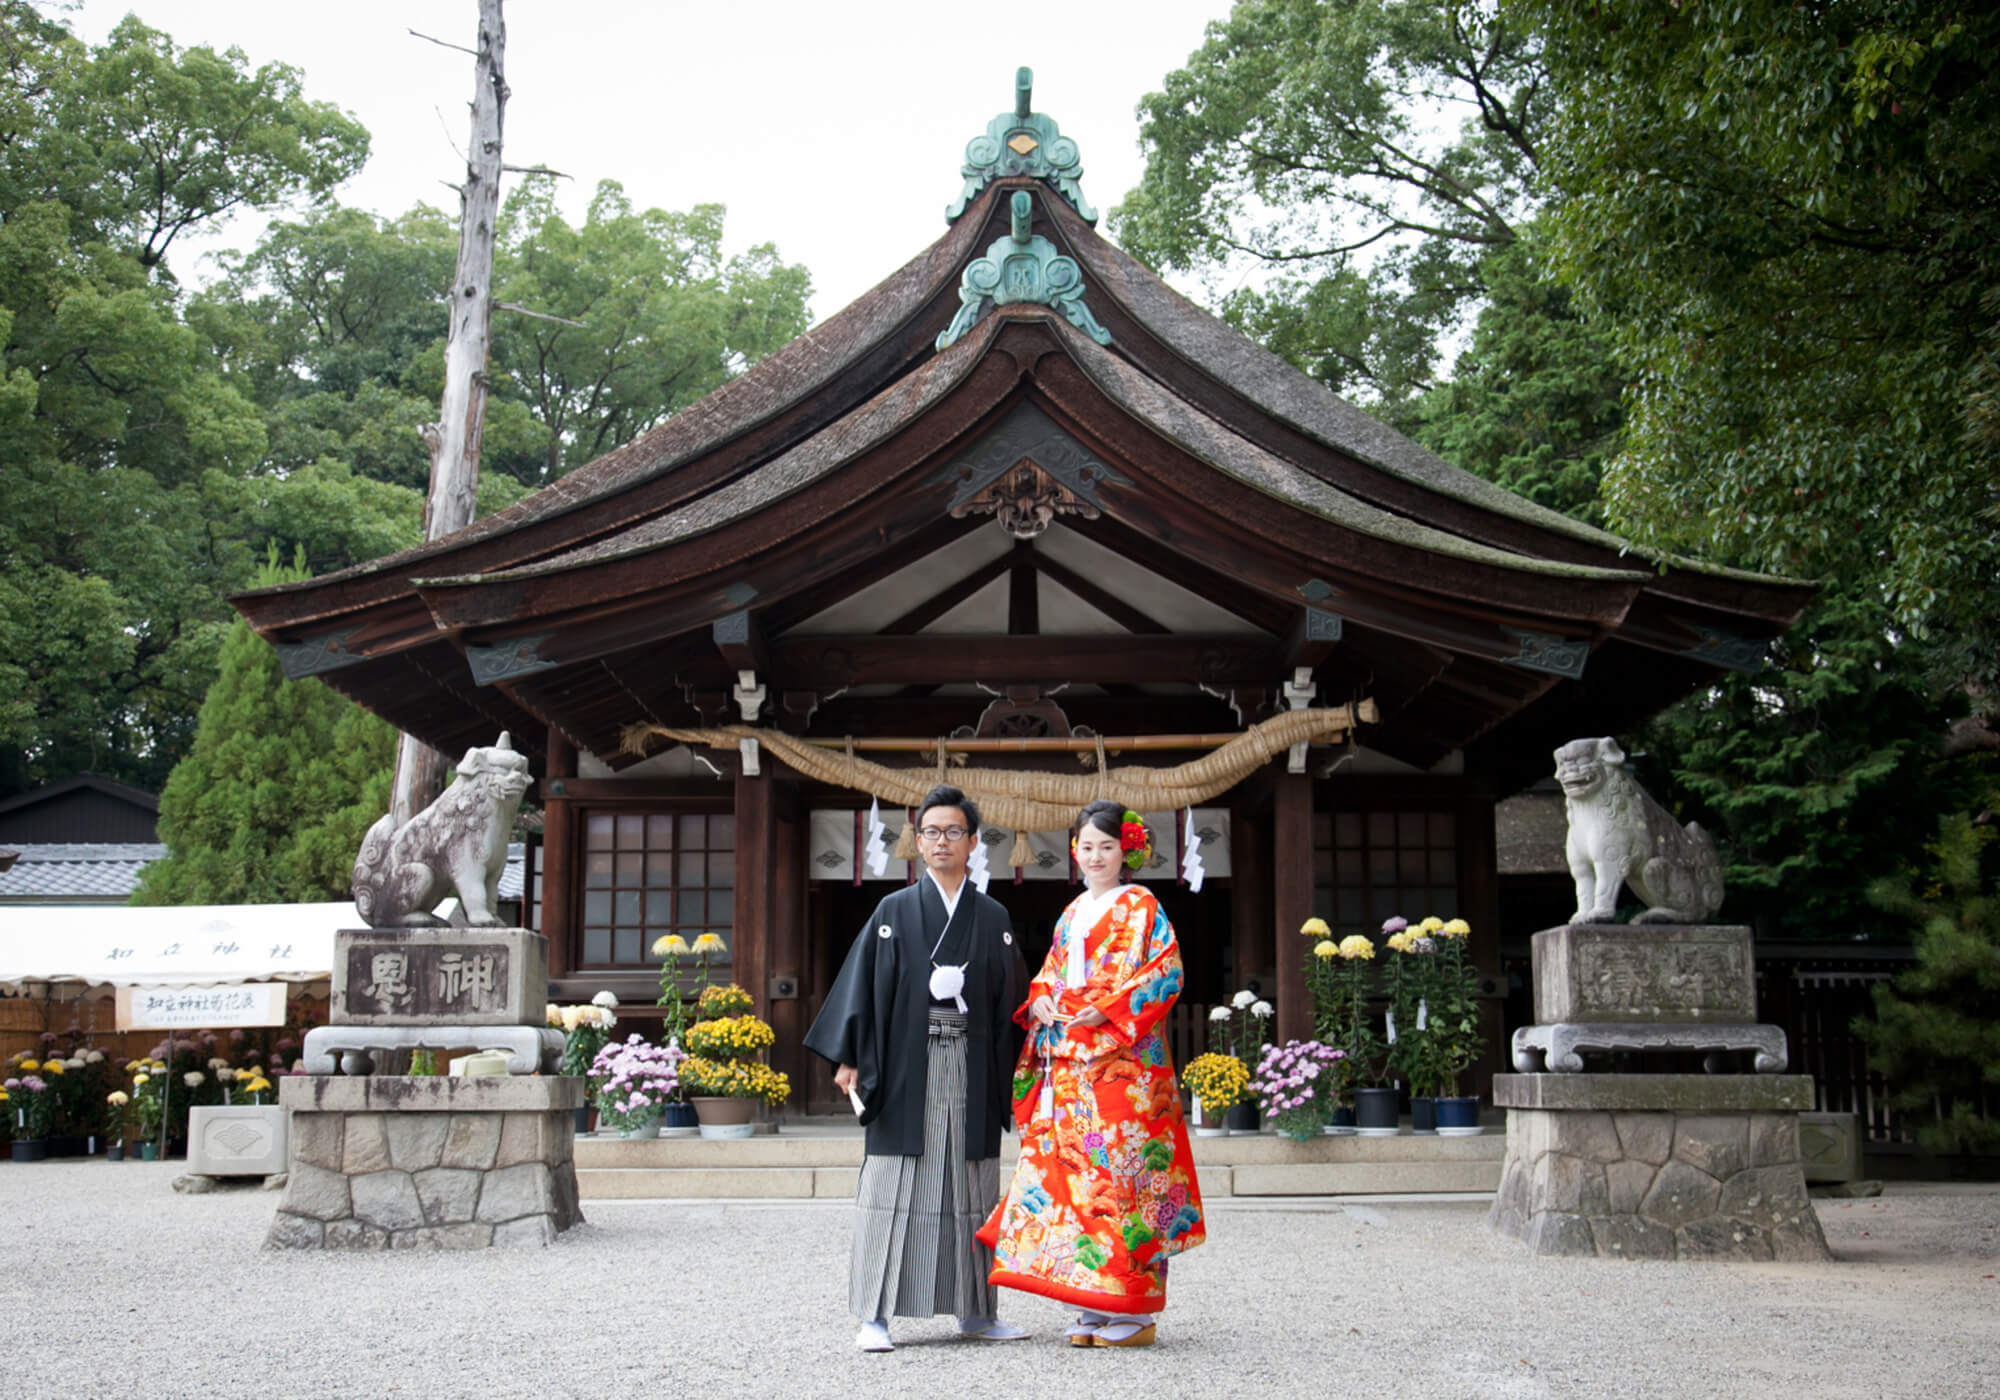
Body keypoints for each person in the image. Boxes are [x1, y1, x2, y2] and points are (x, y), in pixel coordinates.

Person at [803, 784, 1031, 1352]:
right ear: (918, 842)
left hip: (972, 1068)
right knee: (893, 1184)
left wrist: (1027, 1074)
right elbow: (863, 985)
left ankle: (975, 1311)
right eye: (931, 832)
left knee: (971, 1186)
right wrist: (850, 1054)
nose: (941, 841)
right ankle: (874, 1316)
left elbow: (1014, 1002)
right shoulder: (894, 911)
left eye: (954, 831)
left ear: (973, 842)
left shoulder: (993, 915)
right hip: (906, 1066)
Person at [977, 800, 1206, 1348]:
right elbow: (1050, 975)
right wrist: (1040, 1003)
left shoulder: (1143, 905)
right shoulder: (1072, 910)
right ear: (1074, 852)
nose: (1096, 856)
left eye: (1107, 846)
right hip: (1071, 1066)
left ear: (1126, 851)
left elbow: (1166, 971)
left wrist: (1108, 1008)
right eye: (1086, 846)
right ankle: (1093, 1299)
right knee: (1077, 1182)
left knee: (1127, 1180)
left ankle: (1134, 1308)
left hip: (1125, 1068)